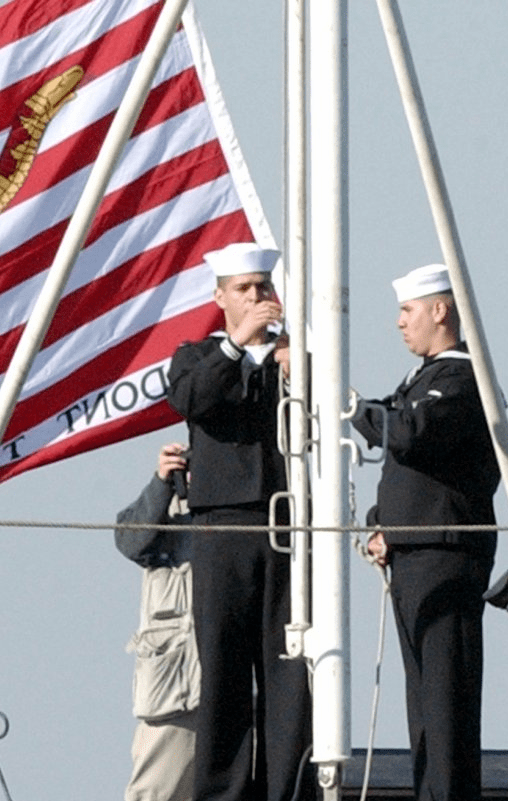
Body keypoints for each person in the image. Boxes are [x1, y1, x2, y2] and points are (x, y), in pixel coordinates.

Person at [166, 242, 311, 801]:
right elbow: (193, 400)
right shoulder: (197, 357)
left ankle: (286, 789)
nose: (256, 297)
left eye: (262, 287)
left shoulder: (296, 356)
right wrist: (237, 347)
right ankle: (222, 792)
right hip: (221, 528)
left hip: (286, 527)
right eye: (244, 289)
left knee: (288, 669)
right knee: (223, 667)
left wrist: (299, 372)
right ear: (221, 297)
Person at [353, 263, 500, 801]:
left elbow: (413, 433)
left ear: (440, 311)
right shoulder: (425, 380)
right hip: (414, 552)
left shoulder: (460, 379)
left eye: (407, 310)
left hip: (445, 554)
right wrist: (383, 525)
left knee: (445, 700)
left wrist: (351, 407)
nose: (399, 322)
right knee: (423, 702)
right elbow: (416, 472)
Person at [114, 442, 198, 801]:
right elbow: (131, 540)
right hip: (176, 689)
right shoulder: (168, 512)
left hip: (241, 686)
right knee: (154, 793)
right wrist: (163, 483)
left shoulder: (250, 511)